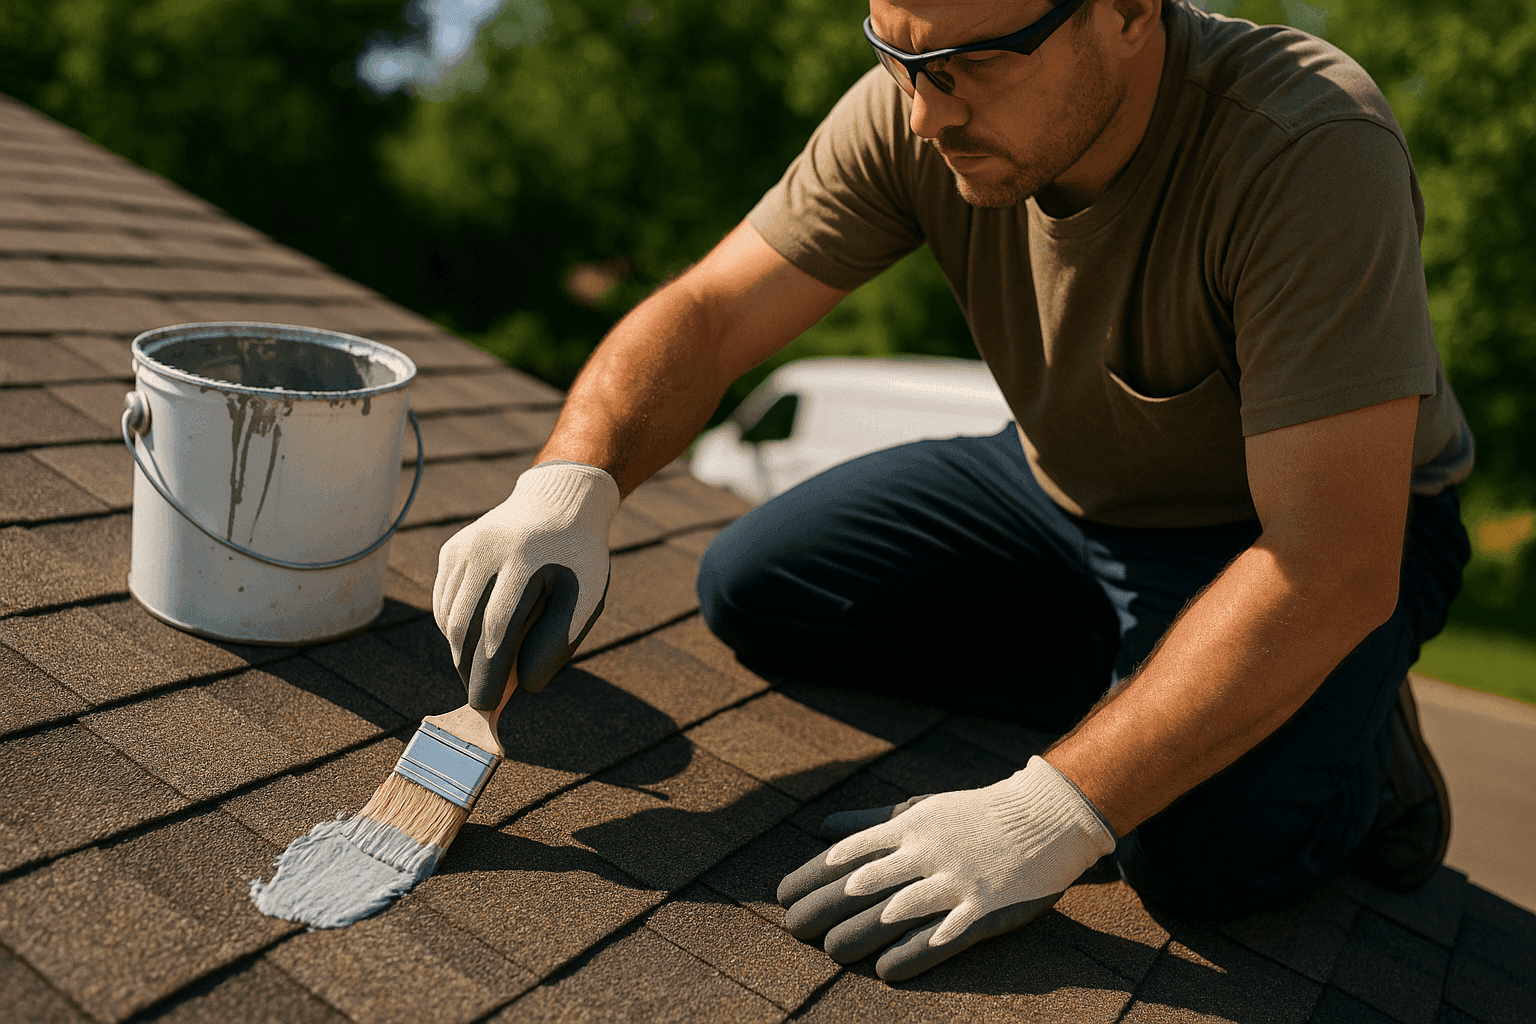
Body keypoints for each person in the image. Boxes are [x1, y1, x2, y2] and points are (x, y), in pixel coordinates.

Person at [432, 0, 1474, 983]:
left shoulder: (1305, 143)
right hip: (1062, 487)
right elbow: (708, 314)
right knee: (758, 587)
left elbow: (1329, 558)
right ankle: (1142, 673)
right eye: (899, 56)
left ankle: (1366, 750)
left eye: (973, 63)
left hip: (1300, 535)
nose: (926, 111)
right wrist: (571, 480)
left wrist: (1048, 808)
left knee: (1195, 854)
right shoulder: (918, 102)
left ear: (1126, 11)